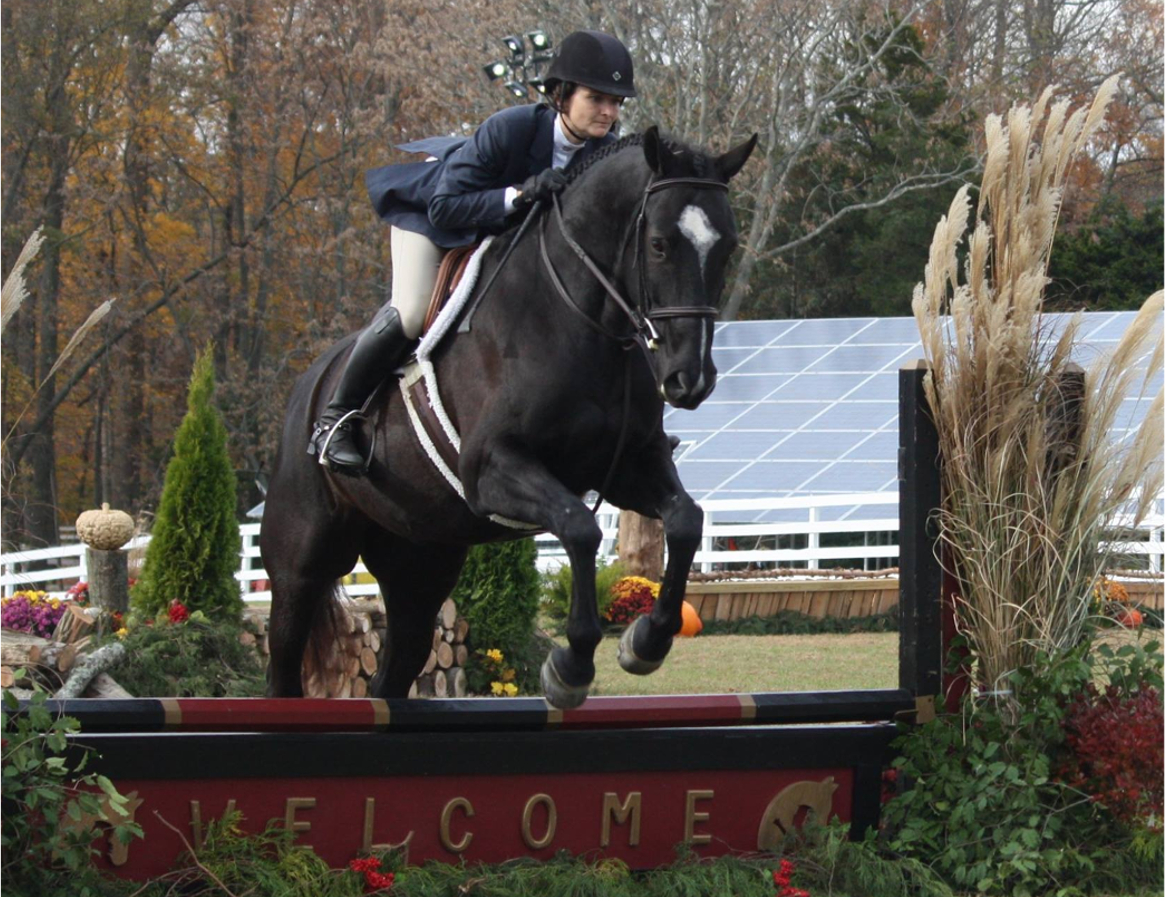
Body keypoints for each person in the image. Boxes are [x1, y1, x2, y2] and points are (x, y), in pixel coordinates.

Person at [309, 30, 637, 474]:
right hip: (437, 218)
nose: (609, 111)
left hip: (506, 242)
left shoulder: (604, 154)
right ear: (561, 94)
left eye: (616, 102)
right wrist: (517, 196)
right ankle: (334, 421)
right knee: (410, 312)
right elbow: (446, 208)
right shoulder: (512, 127)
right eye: (597, 98)